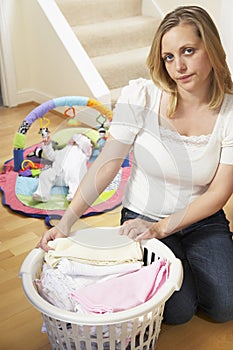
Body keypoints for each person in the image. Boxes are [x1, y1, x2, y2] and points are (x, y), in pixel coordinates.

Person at [37, 6, 233, 325]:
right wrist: (67, 221)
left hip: (202, 220)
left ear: (210, 48)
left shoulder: (229, 112)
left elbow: (219, 192)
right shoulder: (141, 95)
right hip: (142, 217)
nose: (179, 66)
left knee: (225, 306)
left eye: (188, 51)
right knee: (177, 312)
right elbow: (107, 164)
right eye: (169, 56)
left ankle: (198, 260)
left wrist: (163, 228)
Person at [33, 133, 92, 202]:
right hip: (58, 173)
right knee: (44, 175)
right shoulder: (62, 151)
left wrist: (77, 138)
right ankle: (42, 194)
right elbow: (51, 155)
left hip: (73, 173)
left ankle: (73, 196)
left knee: (76, 180)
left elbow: (86, 145)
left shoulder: (83, 153)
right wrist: (47, 145)